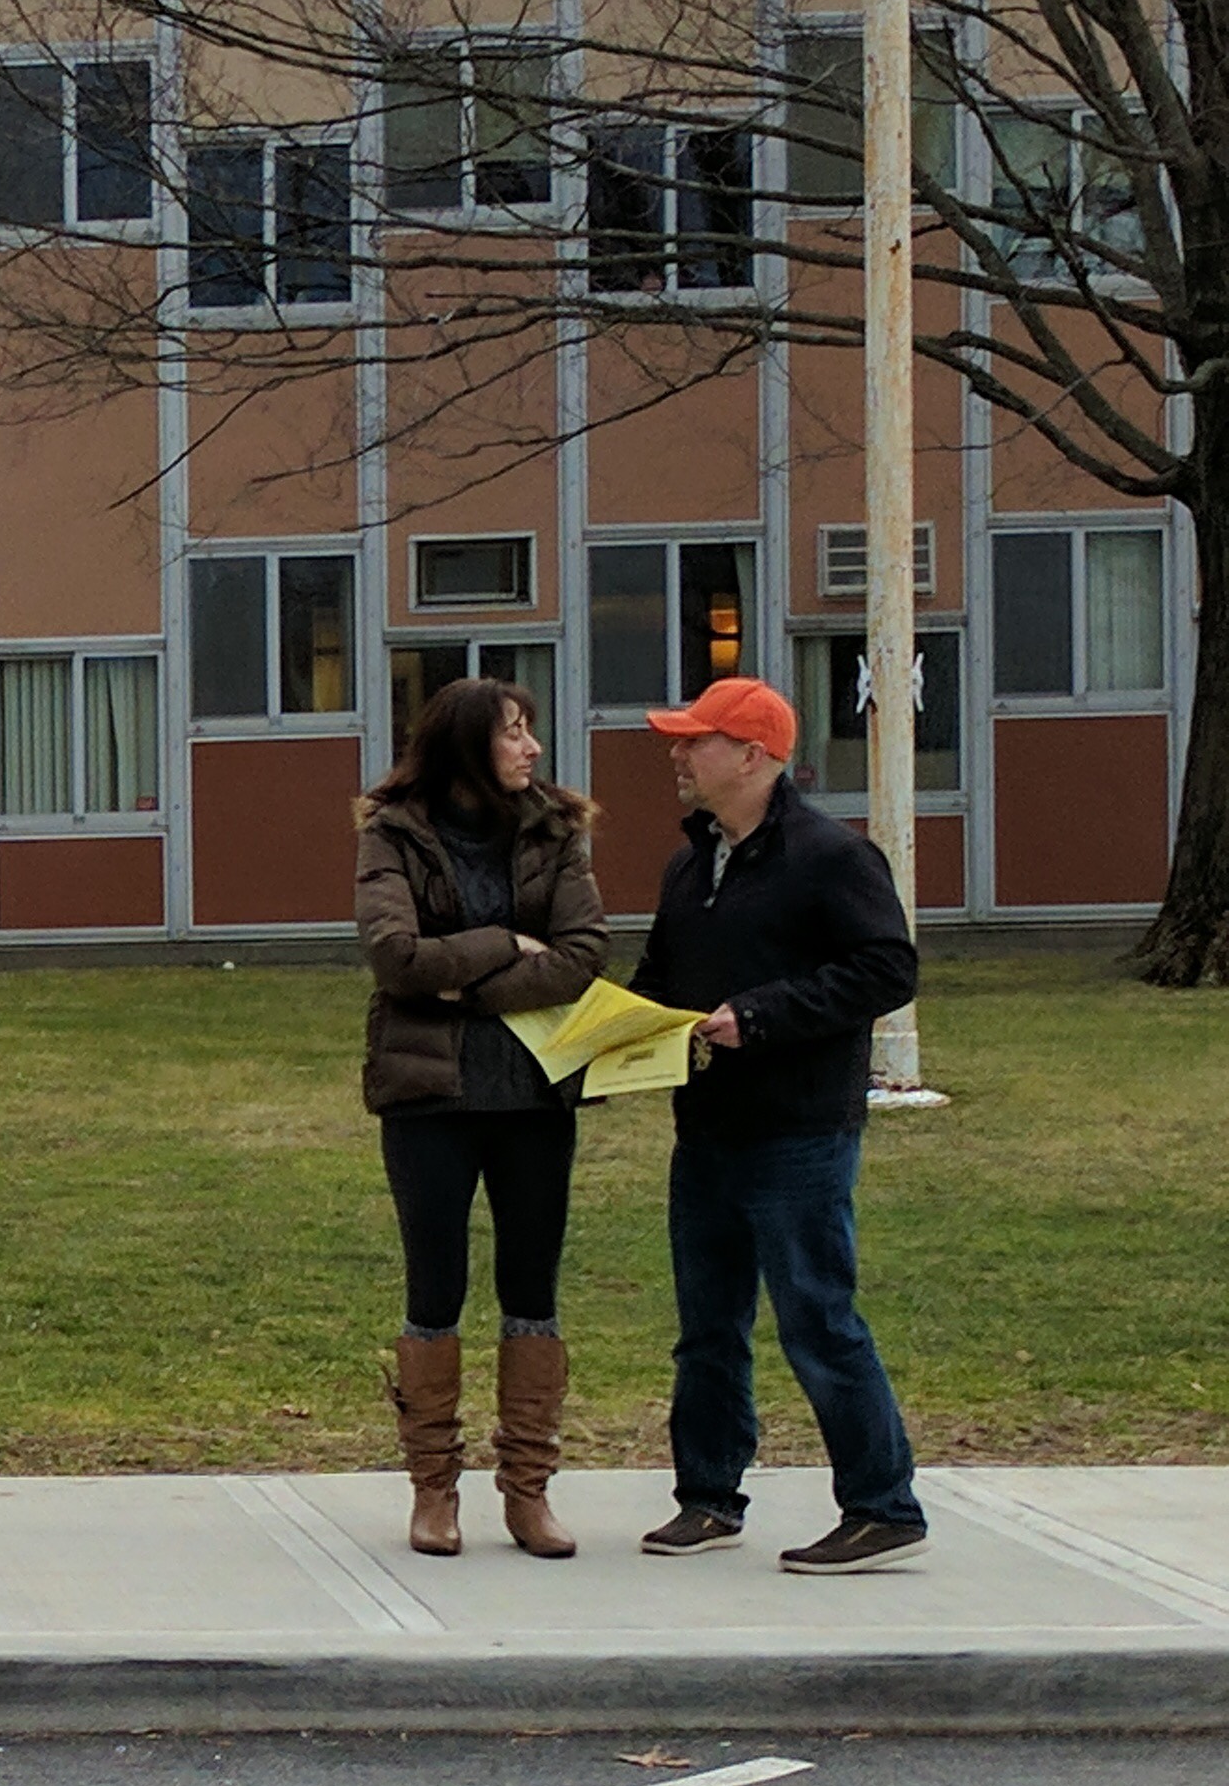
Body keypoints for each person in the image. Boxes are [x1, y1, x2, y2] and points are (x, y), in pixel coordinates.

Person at [633, 673, 930, 1573]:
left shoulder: (830, 857)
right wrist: (610, 1034)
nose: (679, 755)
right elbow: (662, 977)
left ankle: (883, 1506)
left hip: (798, 1132)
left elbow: (886, 970)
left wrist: (757, 1017)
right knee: (708, 1325)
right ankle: (709, 1497)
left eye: (697, 741)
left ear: (756, 756)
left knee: (817, 1318)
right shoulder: (693, 862)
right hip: (708, 1131)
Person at [352, 677, 608, 1558]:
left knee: (531, 1290)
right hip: (429, 1099)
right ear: (466, 745)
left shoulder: (556, 829)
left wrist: (458, 981)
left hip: (537, 1095)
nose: (532, 748)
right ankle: (433, 1491)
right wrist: (505, 941)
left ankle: (528, 1490)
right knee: (435, 1289)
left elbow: (581, 956)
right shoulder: (391, 834)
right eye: (513, 733)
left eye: (531, 730)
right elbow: (394, 957)